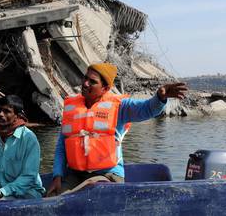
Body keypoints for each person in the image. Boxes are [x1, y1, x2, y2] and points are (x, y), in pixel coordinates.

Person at [47, 62, 188, 196]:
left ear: (105, 89)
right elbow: (62, 145)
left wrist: (160, 98)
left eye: (92, 81)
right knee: (52, 198)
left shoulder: (120, 107)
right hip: (76, 174)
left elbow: (146, 109)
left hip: (108, 175)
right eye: (85, 78)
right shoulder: (72, 108)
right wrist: (57, 175)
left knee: (92, 192)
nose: (85, 83)